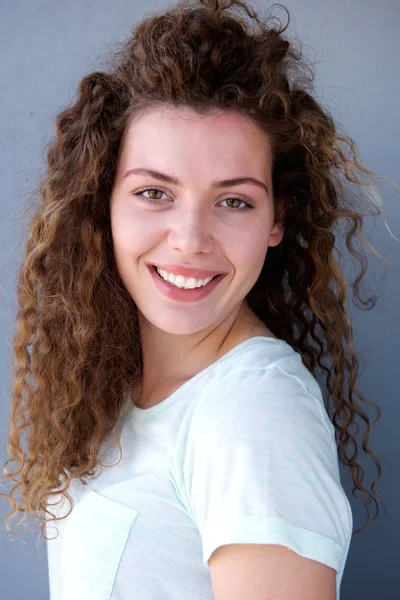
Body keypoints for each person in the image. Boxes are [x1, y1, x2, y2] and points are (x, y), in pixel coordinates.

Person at [1, 0, 396, 598]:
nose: (189, 241)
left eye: (233, 200)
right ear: (102, 205)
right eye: (154, 192)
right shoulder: (118, 376)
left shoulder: (252, 415)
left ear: (275, 220)